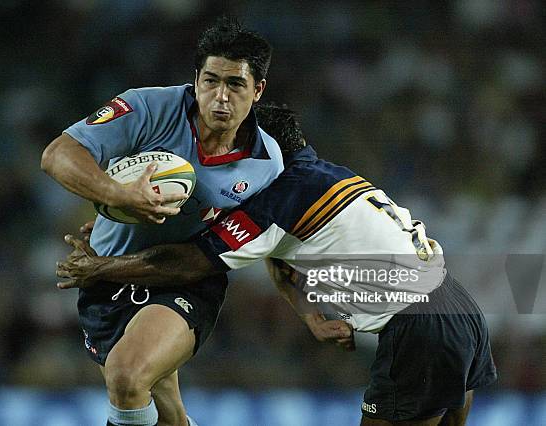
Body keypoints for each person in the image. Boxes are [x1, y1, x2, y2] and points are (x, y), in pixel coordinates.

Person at [56, 103, 497, 426]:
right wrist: (309, 315)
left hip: (419, 327)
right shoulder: (327, 175)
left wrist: (102, 268)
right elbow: (281, 251)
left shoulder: (281, 196)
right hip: (458, 306)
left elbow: (194, 262)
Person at [41, 17, 283, 426]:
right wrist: (118, 196)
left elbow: (257, 246)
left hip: (184, 279)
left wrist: (309, 312)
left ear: (257, 91)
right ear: (196, 79)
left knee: (127, 375)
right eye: (211, 81)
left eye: (235, 85)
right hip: (105, 282)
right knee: (167, 413)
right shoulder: (149, 107)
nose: (220, 97)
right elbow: (57, 155)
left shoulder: (266, 165)